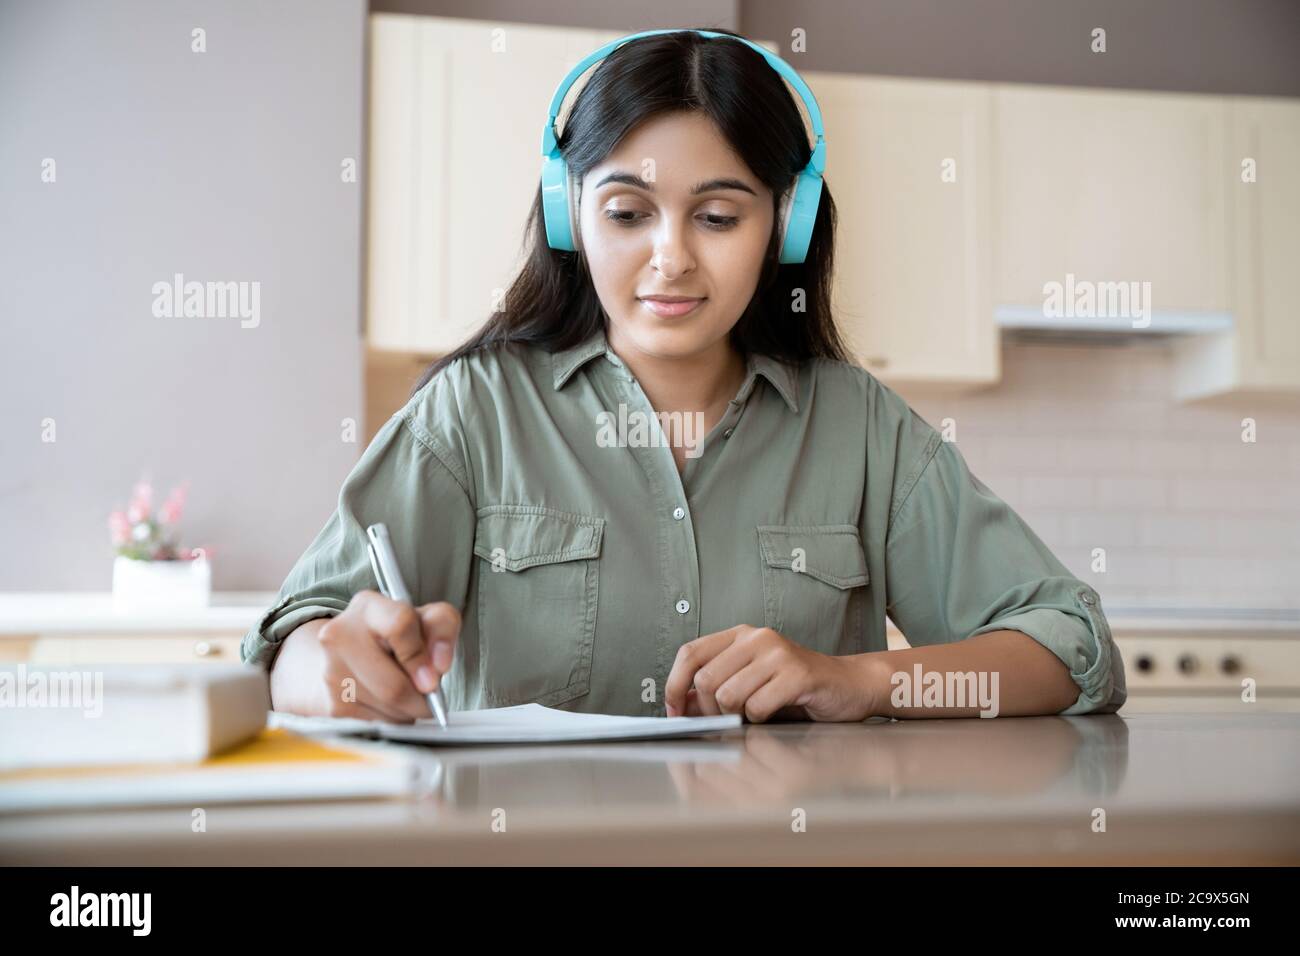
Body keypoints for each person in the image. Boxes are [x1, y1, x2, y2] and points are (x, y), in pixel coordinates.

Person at [244, 27, 1125, 723]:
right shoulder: (474, 414)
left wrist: (861, 680)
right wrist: (332, 665)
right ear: (569, 215)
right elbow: (290, 647)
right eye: (628, 211)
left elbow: (1070, 648)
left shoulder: (861, 430)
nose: (670, 259)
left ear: (784, 227)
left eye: (716, 216)